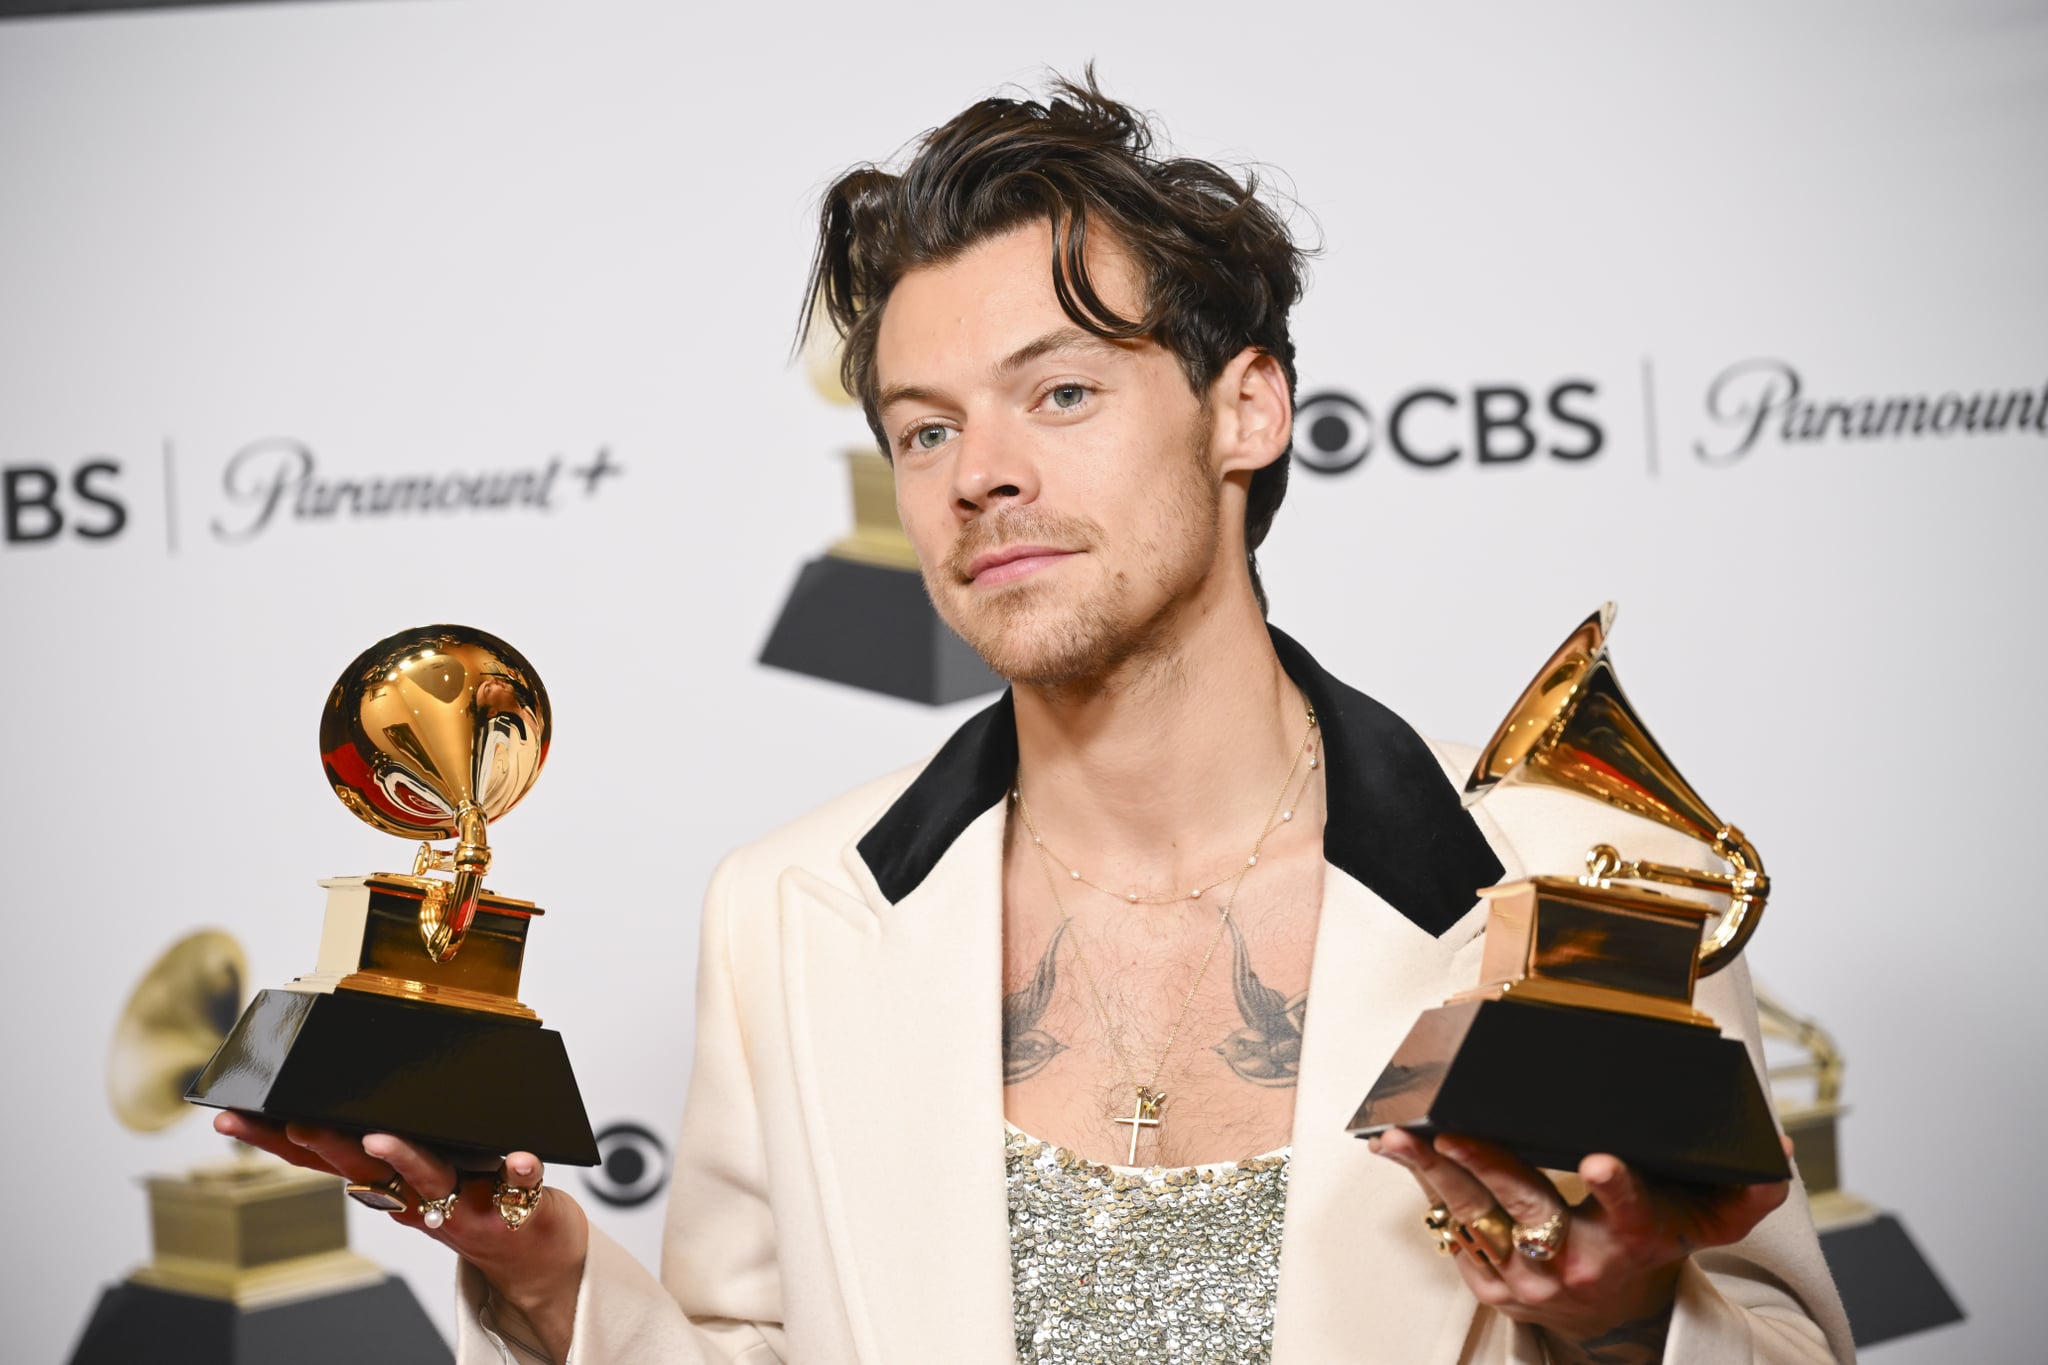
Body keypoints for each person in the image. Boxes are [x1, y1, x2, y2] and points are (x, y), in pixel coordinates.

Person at [219, 75, 1853, 1364]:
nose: (980, 472)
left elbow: (1787, 1344)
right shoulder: (790, 910)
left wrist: (1620, 1325)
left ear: (1247, 406)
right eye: (923, 430)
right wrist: (554, 1277)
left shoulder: (1576, 879)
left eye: (1061, 390)